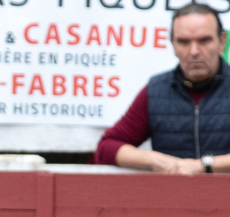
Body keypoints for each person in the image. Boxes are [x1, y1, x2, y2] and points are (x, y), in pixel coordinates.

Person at [94, 3, 230, 173]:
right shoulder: (157, 90)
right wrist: (152, 159)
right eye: (184, 42)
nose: (194, 51)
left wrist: (205, 165)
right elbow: (106, 148)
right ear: (172, 44)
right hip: (171, 197)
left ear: (222, 41)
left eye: (204, 40)